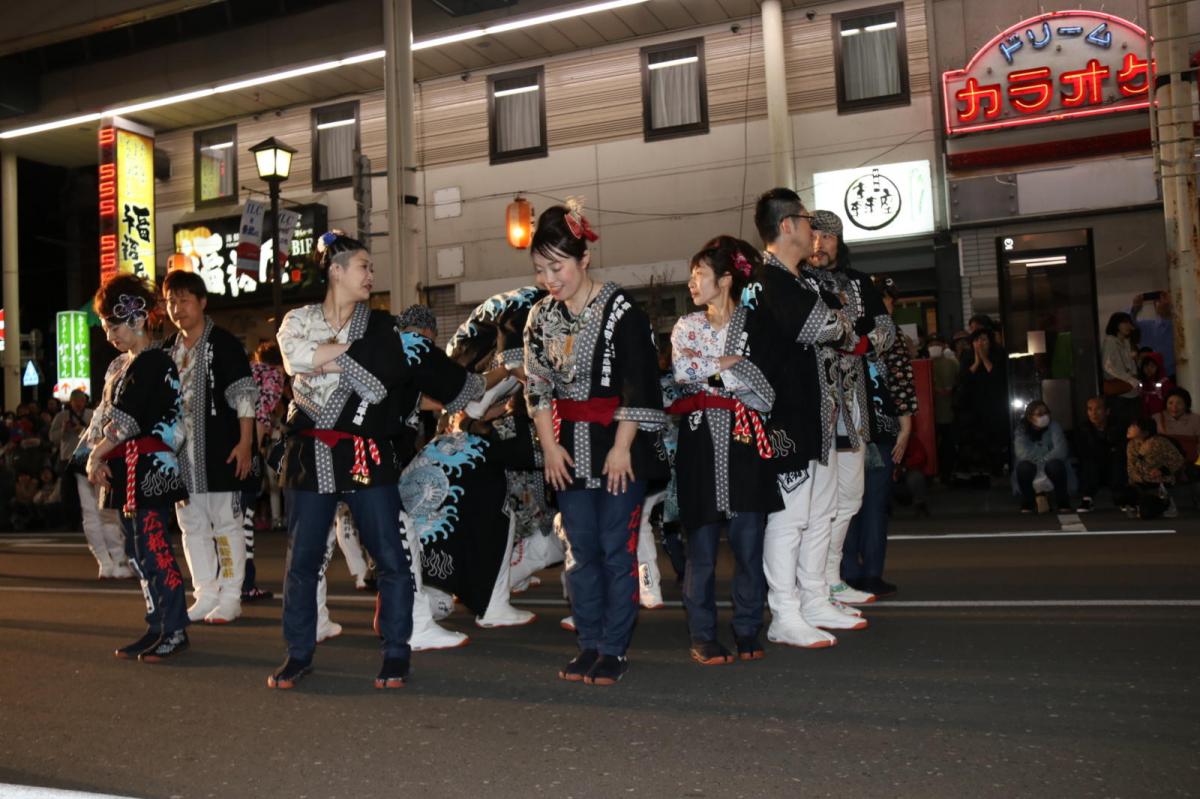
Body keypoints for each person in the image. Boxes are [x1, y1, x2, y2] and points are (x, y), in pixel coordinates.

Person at [271, 231, 492, 691]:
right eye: (364, 266)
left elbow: (412, 372)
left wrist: (330, 360)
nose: (372, 275)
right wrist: (362, 360)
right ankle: (297, 653)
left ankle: (396, 652)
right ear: (336, 270)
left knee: (391, 556)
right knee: (303, 561)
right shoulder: (298, 319)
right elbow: (295, 359)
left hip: (365, 453)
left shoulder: (385, 330)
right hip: (309, 454)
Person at [524, 200, 668, 686]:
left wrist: (623, 447)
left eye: (557, 266)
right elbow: (537, 385)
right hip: (567, 447)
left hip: (616, 446)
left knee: (614, 547)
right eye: (541, 269)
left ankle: (614, 647)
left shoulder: (620, 308)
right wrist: (548, 447)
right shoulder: (540, 317)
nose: (550, 279)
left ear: (583, 259)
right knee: (580, 549)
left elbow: (638, 381)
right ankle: (589, 643)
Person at [743, 189, 853, 650]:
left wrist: (840, 320)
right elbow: (829, 327)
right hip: (782, 418)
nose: (815, 232)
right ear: (786, 225)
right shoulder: (770, 281)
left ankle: (811, 600)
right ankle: (784, 612)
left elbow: (845, 324)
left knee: (813, 514)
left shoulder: (796, 281)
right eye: (808, 221)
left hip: (809, 414)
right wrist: (839, 320)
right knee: (789, 519)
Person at [670, 235, 780, 665]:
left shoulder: (756, 323)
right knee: (700, 546)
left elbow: (766, 388)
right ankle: (702, 633)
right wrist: (732, 363)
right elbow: (683, 370)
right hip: (700, 440)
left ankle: (748, 626)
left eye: (699, 275)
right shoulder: (686, 327)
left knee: (749, 542)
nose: (692, 283)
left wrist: (718, 371)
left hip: (745, 439)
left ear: (726, 279)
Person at [85, 274, 190, 662]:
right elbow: (103, 417)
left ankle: (174, 627)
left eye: (114, 324)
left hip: (150, 468)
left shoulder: (155, 360)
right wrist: (95, 455)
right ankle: (156, 624)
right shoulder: (120, 365)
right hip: (127, 466)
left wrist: (97, 454)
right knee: (136, 551)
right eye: (106, 326)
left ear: (138, 318)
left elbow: (126, 421)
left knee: (154, 545)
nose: (110, 333)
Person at [801, 211, 896, 612]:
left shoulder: (859, 283)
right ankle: (814, 585)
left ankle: (832, 578)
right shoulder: (797, 281)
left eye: (829, 237)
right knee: (817, 502)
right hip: (813, 402)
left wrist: (862, 345)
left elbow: (887, 329)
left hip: (854, 401)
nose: (820, 244)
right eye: (814, 236)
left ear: (840, 242)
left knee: (851, 496)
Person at [163, 269, 258, 625]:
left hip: (221, 450)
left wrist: (246, 442)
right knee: (191, 527)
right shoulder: (168, 349)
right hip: (181, 459)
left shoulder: (225, 344)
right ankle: (205, 592)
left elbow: (245, 395)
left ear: (202, 302)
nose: (177, 307)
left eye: (184, 299)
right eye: (171, 301)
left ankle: (231, 595)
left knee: (226, 525)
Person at [842, 276, 915, 598]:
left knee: (868, 503)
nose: (888, 305)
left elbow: (901, 380)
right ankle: (850, 572)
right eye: (882, 298)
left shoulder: (877, 333)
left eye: (891, 301)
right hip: (850, 426)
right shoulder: (844, 328)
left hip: (876, 426)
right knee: (849, 504)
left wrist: (906, 426)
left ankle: (866, 573)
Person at [65, 390, 134, 578]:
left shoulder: (103, 403)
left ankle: (105, 562)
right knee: (106, 513)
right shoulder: (121, 401)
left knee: (93, 514)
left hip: (83, 456)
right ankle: (117, 561)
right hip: (102, 455)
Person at [959, 328, 1010, 476]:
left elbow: (998, 378)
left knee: (995, 439)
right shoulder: (967, 357)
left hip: (994, 406)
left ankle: (997, 467)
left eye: (983, 340)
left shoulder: (999, 355)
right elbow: (963, 380)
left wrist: (984, 359)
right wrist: (976, 362)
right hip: (973, 407)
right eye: (976, 340)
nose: (979, 343)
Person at [1013, 400, 1071, 513]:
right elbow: (1021, 453)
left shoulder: (1054, 426)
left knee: (1055, 465)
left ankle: (1063, 501)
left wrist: (1043, 459)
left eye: (1046, 413)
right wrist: (1044, 455)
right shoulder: (1021, 429)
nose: (1044, 416)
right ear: (1030, 417)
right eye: (1039, 414)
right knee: (1023, 467)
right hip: (1032, 467)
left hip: (1049, 466)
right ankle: (1028, 502)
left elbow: (1061, 450)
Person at [1120, 416, 1184, 518]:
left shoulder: (1160, 442)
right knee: (1121, 494)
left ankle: (1166, 504)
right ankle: (1139, 504)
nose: (1129, 428)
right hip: (1142, 482)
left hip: (1159, 482)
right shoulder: (1131, 445)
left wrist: (1162, 470)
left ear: (1145, 432)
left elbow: (1178, 459)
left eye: (1133, 426)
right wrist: (1136, 482)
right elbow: (1131, 467)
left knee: (1147, 512)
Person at [1102, 312, 1141, 432]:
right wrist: (1130, 379)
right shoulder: (1111, 341)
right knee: (1123, 430)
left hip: (1131, 392)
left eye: (1130, 323)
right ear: (1116, 325)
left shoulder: (1127, 342)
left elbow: (1132, 366)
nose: (1128, 326)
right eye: (1125, 322)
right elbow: (1109, 366)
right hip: (1120, 395)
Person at [927, 334, 959, 482]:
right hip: (930, 414)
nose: (934, 346)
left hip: (947, 411)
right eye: (931, 344)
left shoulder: (951, 363)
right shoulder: (924, 364)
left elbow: (955, 385)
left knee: (947, 445)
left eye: (937, 343)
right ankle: (936, 472)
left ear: (943, 345)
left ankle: (946, 473)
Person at [1130, 292, 1175, 378]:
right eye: (1159, 301)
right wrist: (1135, 309)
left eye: (1166, 300)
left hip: (1178, 374)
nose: (1163, 303)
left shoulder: (1182, 326)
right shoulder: (1147, 326)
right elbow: (1129, 324)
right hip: (1152, 375)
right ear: (1154, 305)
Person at [1153, 388, 1200, 463]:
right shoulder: (1156, 418)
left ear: (1186, 404)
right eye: (1170, 403)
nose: (1174, 407)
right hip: (1163, 465)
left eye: (1179, 403)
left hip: (1191, 464)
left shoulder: (1196, 419)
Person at [1136, 353, 1173, 418]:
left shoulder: (1165, 384)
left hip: (1162, 420)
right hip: (1146, 420)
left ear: (1159, 367)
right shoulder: (1142, 383)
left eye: (1152, 366)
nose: (1148, 369)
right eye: (1146, 366)